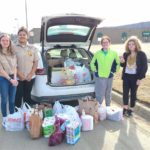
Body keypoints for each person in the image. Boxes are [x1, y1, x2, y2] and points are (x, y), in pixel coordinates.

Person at [120, 36, 148, 116]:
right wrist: (122, 62)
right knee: (125, 92)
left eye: (133, 44)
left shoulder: (141, 54)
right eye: (129, 44)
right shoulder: (126, 54)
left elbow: (144, 67)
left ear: (136, 45)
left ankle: (131, 109)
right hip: (126, 76)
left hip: (135, 77)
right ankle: (125, 107)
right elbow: (123, 65)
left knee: (133, 93)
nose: (131, 46)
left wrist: (140, 78)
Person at [90, 36, 120, 106]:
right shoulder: (97, 53)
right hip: (100, 77)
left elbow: (118, 64)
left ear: (109, 43)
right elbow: (92, 63)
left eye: (107, 42)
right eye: (103, 42)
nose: (105, 43)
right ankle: (99, 108)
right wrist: (96, 71)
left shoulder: (114, 53)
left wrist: (113, 71)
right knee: (100, 93)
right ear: (101, 44)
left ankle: (108, 107)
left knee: (108, 93)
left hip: (110, 76)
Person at [15, 27, 39, 107]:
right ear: (18, 36)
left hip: (30, 77)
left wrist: (31, 74)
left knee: (27, 97)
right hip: (18, 77)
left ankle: (27, 115)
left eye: (24, 34)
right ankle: (18, 115)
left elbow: (36, 62)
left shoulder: (33, 48)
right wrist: (19, 74)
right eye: (20, 35)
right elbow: (12, 63)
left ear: (27, 36)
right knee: (18, 97)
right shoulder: (13, 48)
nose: (22, 36)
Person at [0, 34, 18, 126]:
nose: (5, 42)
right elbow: (1, 70)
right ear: (0, 41)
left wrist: (15, 78)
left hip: (12, 77)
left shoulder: (13, 53)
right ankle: (5, 118)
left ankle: (12, 116)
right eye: (3, 40)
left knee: (12, 100)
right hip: (3, 78)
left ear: (10, 42)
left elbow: (15, 67)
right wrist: (10, 79)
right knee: (4, 99)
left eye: (7, 40)